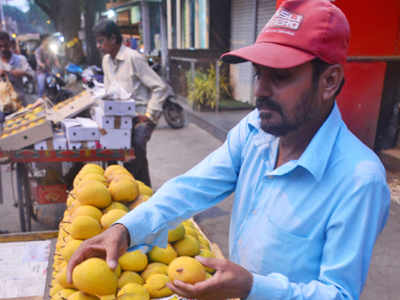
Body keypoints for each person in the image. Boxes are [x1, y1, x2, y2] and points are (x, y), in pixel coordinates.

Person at [67, 1, 390, 299]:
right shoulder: (255, 132)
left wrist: (253, 286)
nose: (260, 91)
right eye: (259, 73)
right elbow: (191, 188)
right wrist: (126, 229)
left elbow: (339, 294)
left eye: (280, 76)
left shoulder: (358, 179)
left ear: (329, 81)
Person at [92, 20, 168, 187]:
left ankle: (134, 191)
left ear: (113, 39)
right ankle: (128, 191)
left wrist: (149, 115)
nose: (98, 46)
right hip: (117, 117)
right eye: (97, 41)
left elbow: (160, 87)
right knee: (108, 152)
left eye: (101, 41)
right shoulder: (106, 61)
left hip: (139, 117)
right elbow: (108, 90)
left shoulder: (133, 58)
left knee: (135, 150)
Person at [0, 31, 34, 106]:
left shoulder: (20, 59)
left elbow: (32, 76)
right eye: (0, 46)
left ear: (10, 44)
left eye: (5, 45)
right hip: (2, 106)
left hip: (20, 103)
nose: (3, 49)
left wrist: (23, 73)